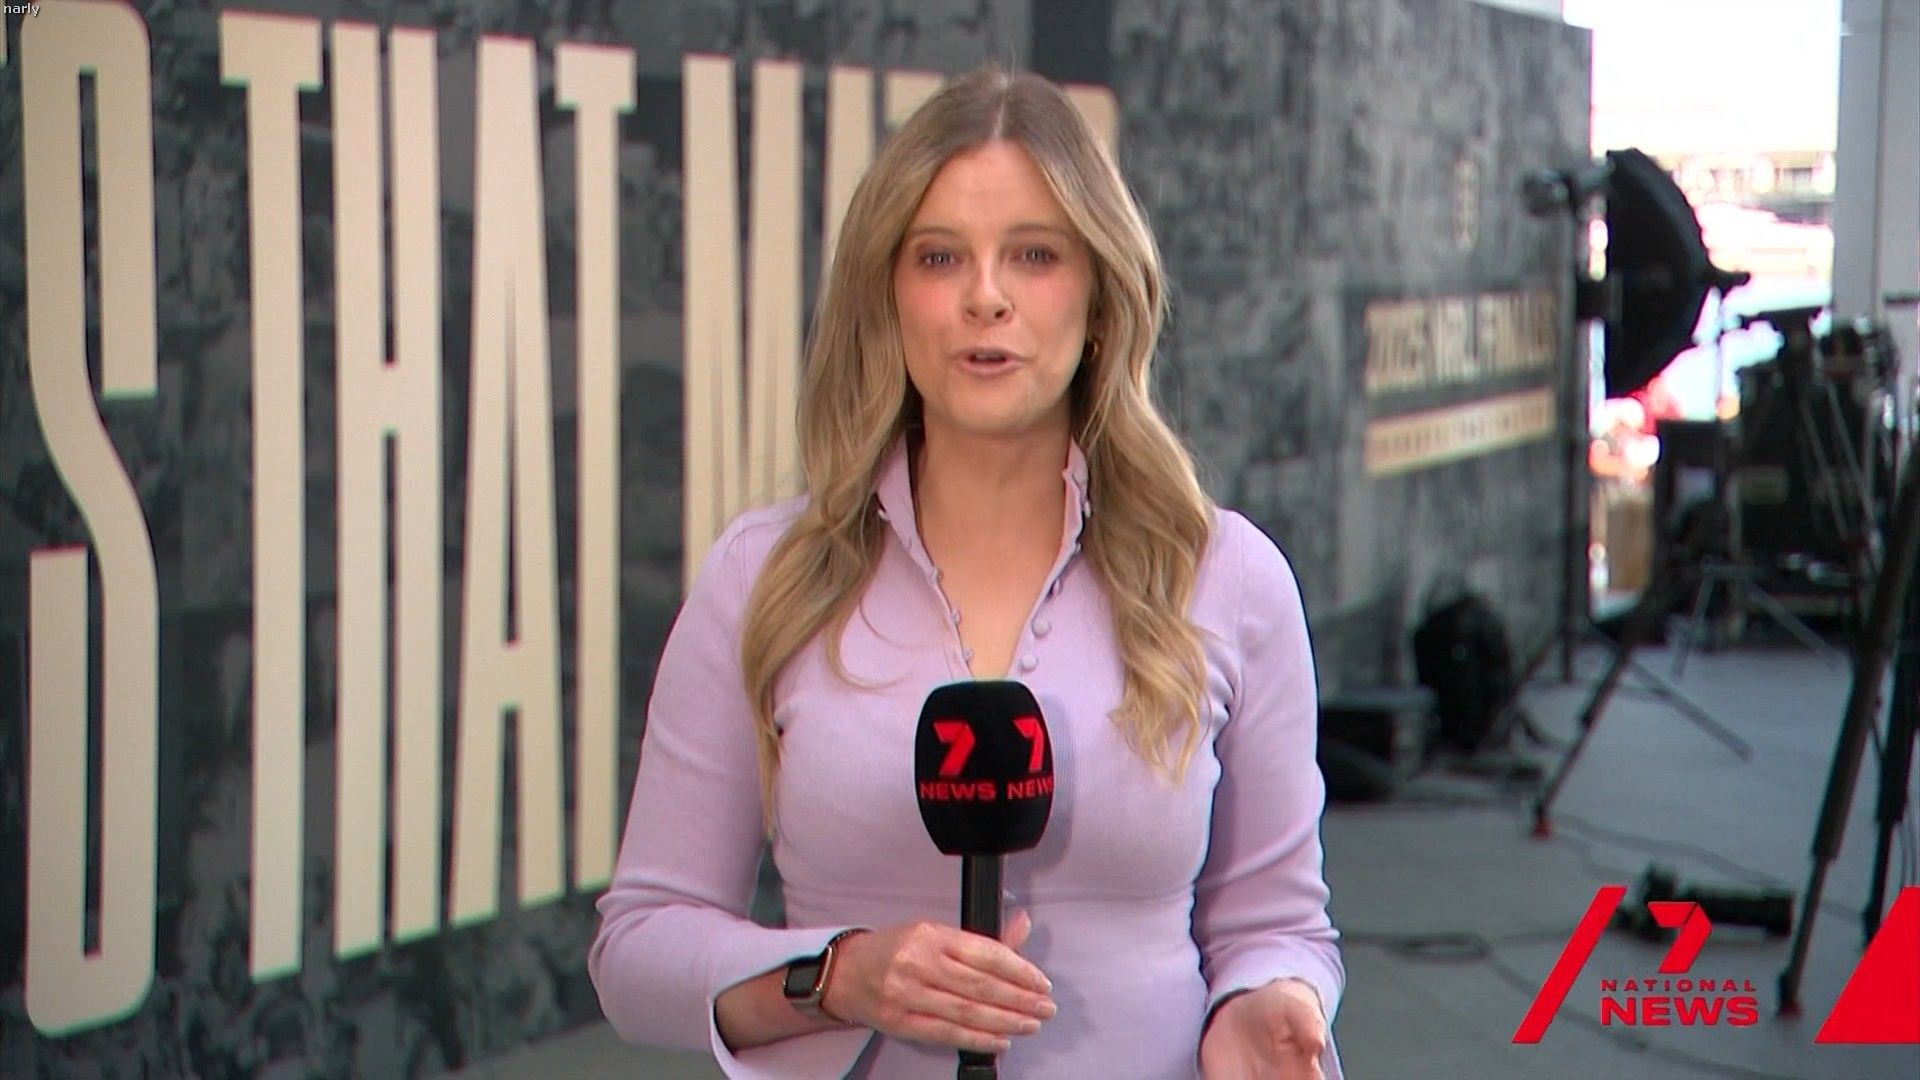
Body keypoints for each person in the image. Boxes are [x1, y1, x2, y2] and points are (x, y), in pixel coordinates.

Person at [589, 65, 1343, 1079]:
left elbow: (1278, 924)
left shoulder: (1230, 577)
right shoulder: (764, 577)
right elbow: (638, 951)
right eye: (940, 257)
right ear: (888, 295)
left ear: (1100, 295)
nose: (986, 297)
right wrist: (839, 975)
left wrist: (1266, 1002)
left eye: (1034, 255)